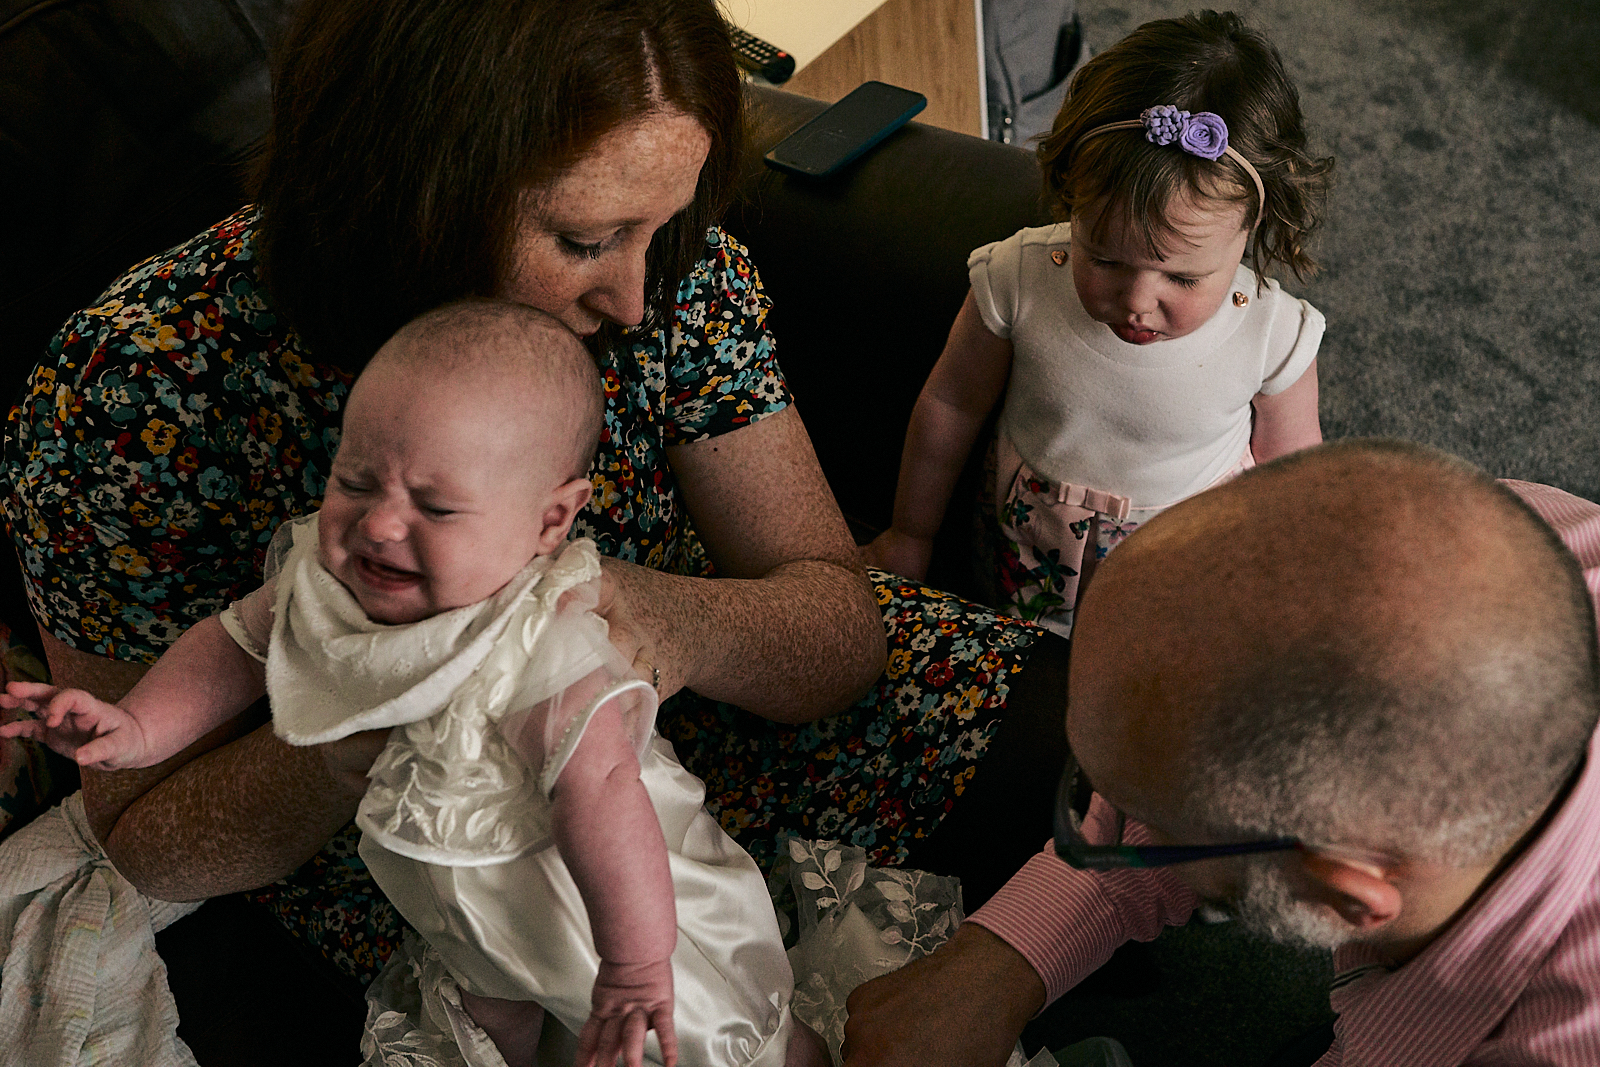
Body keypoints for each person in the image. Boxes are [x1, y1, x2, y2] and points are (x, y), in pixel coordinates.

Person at [0, 0, 1069, 1048]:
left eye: (656, 231)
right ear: (415, 190)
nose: (636, 300)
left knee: (1074, 745)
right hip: (410, 847)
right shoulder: (132, 389)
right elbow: (141, 837)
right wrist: (369, 709)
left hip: (688, 718)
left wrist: (677, 625)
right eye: (587, 237)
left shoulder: (678, 285)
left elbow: (842, 628)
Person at [3, 300, 831, 1067]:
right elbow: (236, 644)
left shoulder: (534, 640)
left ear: (550, 520)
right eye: (356, 481)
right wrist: (139, 725)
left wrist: (637, 961)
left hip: (595, 897)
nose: (380, 522)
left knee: (699, 1036)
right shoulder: (328, 579)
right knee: (487, 1023)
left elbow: (607, 792)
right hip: (455, 896)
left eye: (436, 507)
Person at [842, 439, 1600, 1067]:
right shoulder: (1491, 542)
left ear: (1346, 899)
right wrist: (1001, 957)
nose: (1103, 819)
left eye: (1142, 824)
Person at [866, 11, 1335, 636]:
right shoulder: (1018, 277)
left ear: (1251, 225)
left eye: (1183, 279)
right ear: (1071, 194)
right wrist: (910, 532)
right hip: (1028, 545)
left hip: (1184, 559)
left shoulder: (1271, 337)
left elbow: (1294, 480)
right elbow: (951, 403)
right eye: (1104, 258)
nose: (1138, 301)